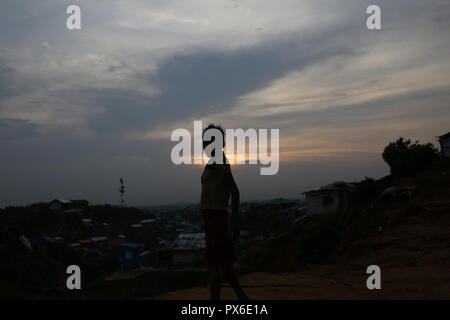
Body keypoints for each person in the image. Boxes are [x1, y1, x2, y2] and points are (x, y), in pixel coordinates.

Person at [200, 123, 248, 300]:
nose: (205, 145)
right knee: (224, 265)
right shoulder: (214, 162)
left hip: (217, 219)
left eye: (208, 141)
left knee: (215, 265)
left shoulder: (219, 161)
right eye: (204, 141)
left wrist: (234, 222)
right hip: (212, 218)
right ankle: (242, 298)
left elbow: (234, 192)